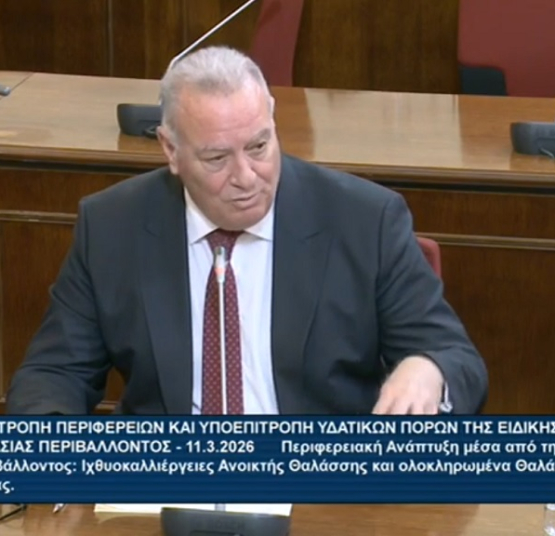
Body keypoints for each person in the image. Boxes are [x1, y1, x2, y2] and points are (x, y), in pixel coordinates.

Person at [5, 46, 487, 416]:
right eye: (217, 158)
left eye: (259, 146)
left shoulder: (364, 220)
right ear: (170, 150)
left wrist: (429, 369)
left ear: (273, 120)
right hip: (171, 480)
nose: (246, 176)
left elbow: (457, 359)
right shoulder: (113, 226)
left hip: (315, 482)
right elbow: (54, 373)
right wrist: (53, 452)